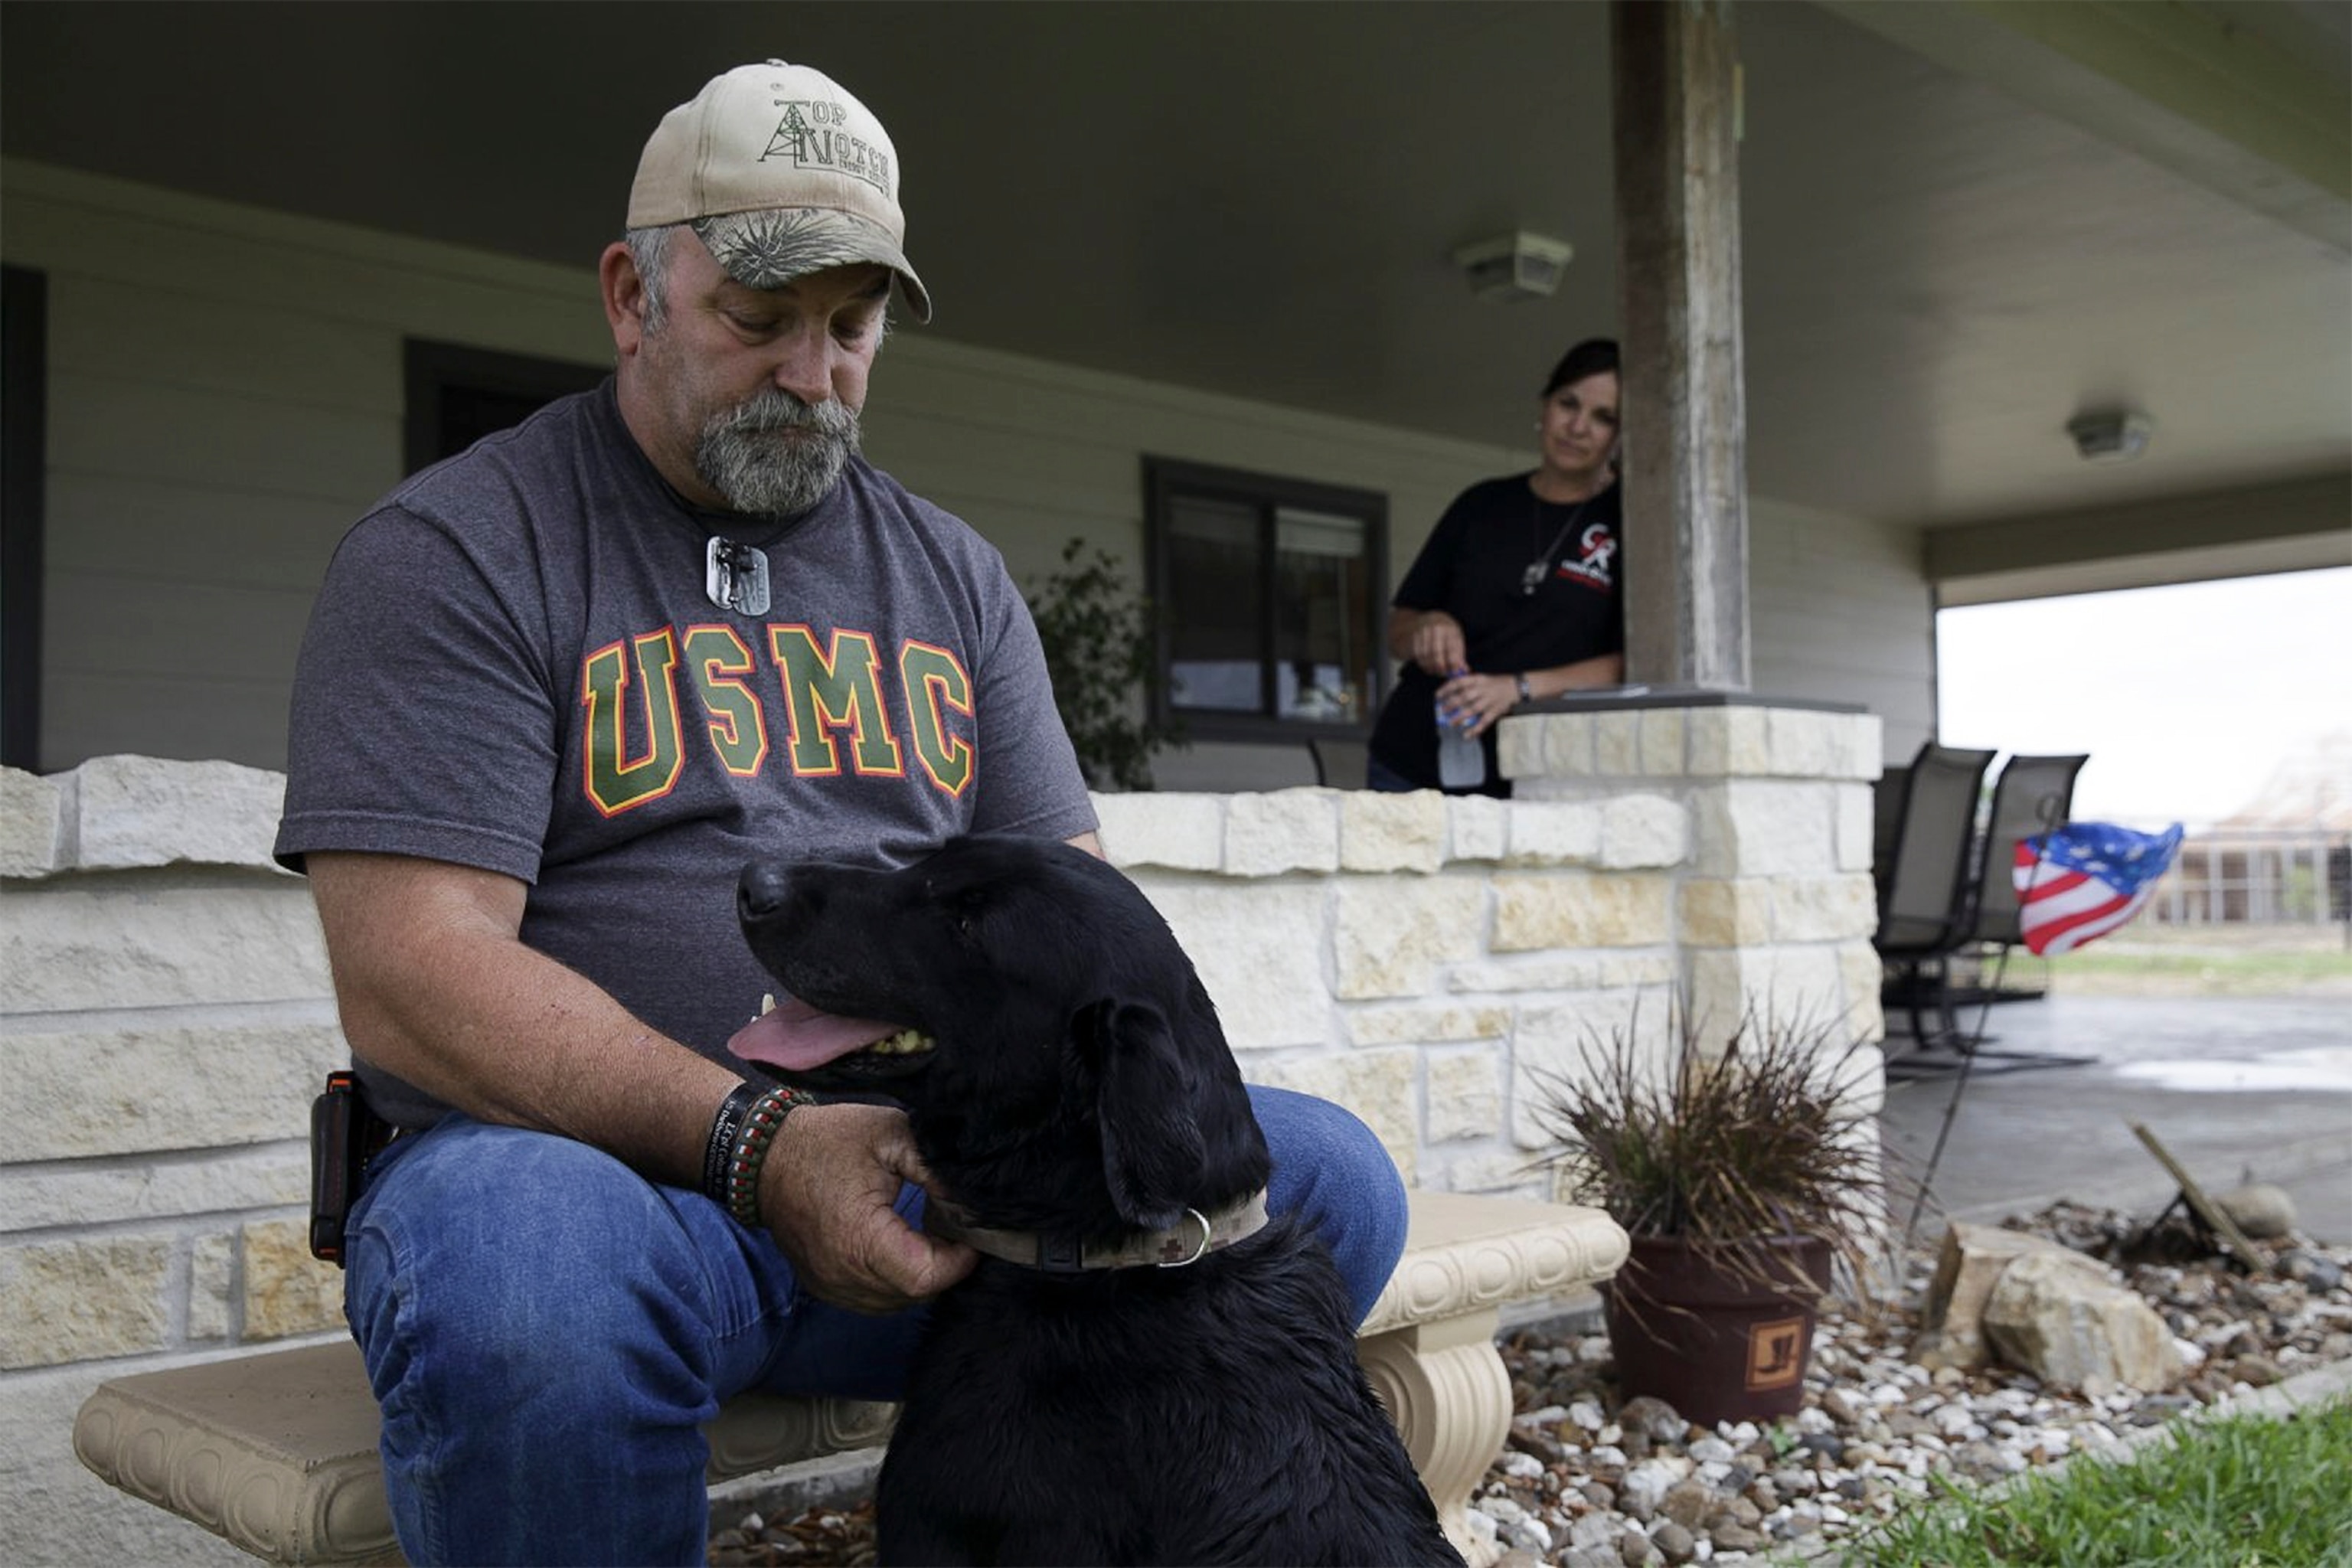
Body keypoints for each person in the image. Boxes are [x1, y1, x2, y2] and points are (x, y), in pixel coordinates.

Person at [273, 60, 1407, 1566]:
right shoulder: (460, 552)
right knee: (528, 1279)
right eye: (759, 319)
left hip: (935, 1192)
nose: (813, 372)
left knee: (1321, 1177)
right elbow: (413, 977)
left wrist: (928, 1139)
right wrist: (760, 1143)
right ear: (631, 295)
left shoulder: (948, 575)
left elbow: (1066, 917)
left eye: (852, 326)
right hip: (607, 1197)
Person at [1366, 338, 1626, 796]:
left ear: (1621, 436)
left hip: (1539, 777)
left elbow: (1634, 663)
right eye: (1568, 404)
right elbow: (1397, 630)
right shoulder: (1481, 505)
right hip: (1411, 764)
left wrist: (1518, 688)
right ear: (1544, 407)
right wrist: (1431, 623)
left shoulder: (1628, 525)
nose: (1578, 426)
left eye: (1603, 417)